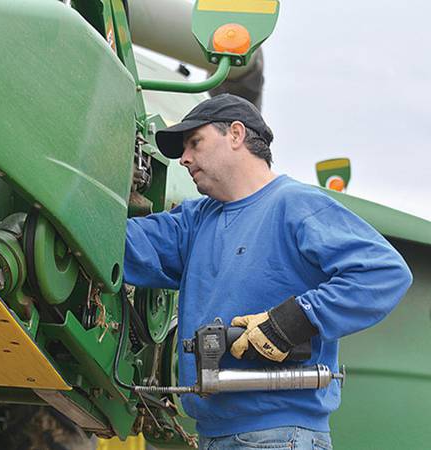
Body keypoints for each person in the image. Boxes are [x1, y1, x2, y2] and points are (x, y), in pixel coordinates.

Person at [124, 94, 413, 450]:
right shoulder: (197, 221)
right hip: (213, 433)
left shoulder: (296, 205)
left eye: (194, 143)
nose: (184, 159)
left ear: (235, 134)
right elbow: (120, 241)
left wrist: (295, 320)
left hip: (279, 435)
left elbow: (384, 272)